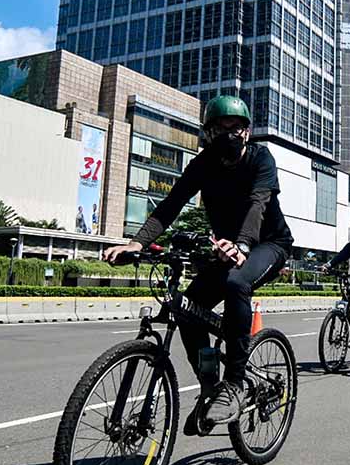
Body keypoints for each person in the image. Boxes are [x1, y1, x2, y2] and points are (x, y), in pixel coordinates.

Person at [102, 95, 294, 429]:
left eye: (236, 128)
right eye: (221, 128)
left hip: (268, 244)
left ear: (247, 132)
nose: (229, 135)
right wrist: (136, 243)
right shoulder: (203, 164)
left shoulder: (261, 158)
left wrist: (242, 245)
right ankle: (211, 387)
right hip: (226, 248)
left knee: (236, 282)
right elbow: (171, 204)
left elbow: (258, 203)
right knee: (188, 309)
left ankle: (234, 384)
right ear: (208, 133)